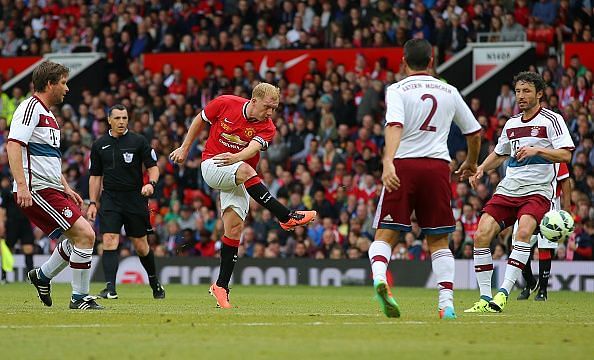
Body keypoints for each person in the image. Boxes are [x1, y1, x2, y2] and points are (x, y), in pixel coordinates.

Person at [170, 82, 316, 308]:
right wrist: (185, 148)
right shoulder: (225, 103)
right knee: (249, 169)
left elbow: (251, 150)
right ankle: (286, 216)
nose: (270, 113)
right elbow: (200, 119)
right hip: (213, 164)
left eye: (274, 109)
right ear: (254, 101)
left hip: (236, 171)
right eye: (268, 107)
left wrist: (237, 157)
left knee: (235, 228)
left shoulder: (268, 127)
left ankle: (220, 286)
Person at [368, 39, 481, 319]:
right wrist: (470, 162)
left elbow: (395, 125)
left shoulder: (397, 89)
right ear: (432, 61)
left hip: (404, 165)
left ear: (403, 61)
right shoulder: (449, 90)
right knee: (439, 241)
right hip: (437, 167)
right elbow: (474, 132)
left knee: (386, 234)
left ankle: (380, 278)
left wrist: (387, 162)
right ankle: (446, 304)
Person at [464, 72, 574, 313]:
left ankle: (502, 293)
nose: (521, 96)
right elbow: (501, 153)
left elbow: (566, 154)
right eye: (518, 91)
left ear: (540, 94)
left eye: (526, 91)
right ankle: (484, 298)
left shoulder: (551, 120)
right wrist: (481, 168)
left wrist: (537, 150)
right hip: (509, 188)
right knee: (481, 235)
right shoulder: (512, 123)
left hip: (537, 190)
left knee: (523, 232)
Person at [6, 61, 103, 310]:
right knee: (86, 235)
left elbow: (47, 158)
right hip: (35, 188)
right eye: (63, 83)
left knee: (76, 238)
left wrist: (66, 186)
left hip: (50, 187)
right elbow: (14, 145)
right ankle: (79, 297)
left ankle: (42, 276)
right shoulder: (30, 108)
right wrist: (22, 185)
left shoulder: (49, 115)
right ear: (49, 84)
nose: (67, 88)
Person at [87, 104, 165, 300]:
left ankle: (155, 282)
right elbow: (95, 177)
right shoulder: (99, 145)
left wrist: (151, 184)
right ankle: (110, 288)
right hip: (111, 199)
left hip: (134, 199)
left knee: (140, 245)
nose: (122, 122)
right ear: (109, 120)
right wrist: (93, 203)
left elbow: (153, 167)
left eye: (124, 118)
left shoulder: (138, 141)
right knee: (109, 240)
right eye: (118, 118)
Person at [516, 162, 571, 301]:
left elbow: (565, 180)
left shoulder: (556, 156)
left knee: (544, 246)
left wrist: (567, 207)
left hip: (550, 205)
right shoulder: (526, 154)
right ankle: (530, 283)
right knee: (518, 244)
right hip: (527, 204)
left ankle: (543, 290)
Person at [1, 176, 35, 282]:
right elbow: (2, 208)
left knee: (28, 248)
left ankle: (29, 277)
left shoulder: (29, 188)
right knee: (8, 250)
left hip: (25, 222)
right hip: (11, 223)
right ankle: (4, 276)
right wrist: (1, 223)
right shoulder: (7, 190)